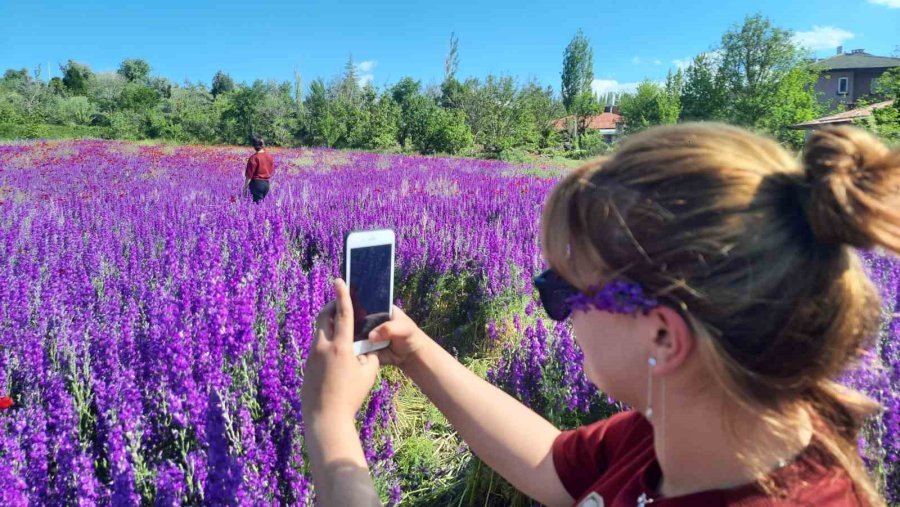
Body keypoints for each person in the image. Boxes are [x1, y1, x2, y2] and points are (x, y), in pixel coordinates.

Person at [301, 124, 900, 506]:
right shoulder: (689, 427)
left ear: (664, 337)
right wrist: (416, 351)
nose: (554, 314)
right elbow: (554, 464)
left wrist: (328, 425)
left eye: (562, 292)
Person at [244, 136, 274, 202]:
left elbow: (249, 176)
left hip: (256, 184)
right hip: (266, 184)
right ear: (262, 145)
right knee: (261, 206)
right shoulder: (269, 156)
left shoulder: (254, 158)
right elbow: (271, 170)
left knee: (257, 207)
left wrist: (245, 188)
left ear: (254, 146)